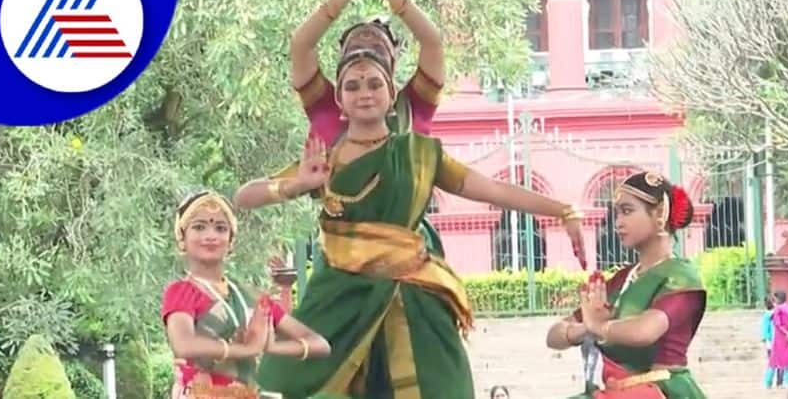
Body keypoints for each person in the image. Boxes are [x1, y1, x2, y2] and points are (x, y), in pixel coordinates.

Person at [234, 48, 586, 398]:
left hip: (414, 293)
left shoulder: (419, 155)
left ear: (391, 98)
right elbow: (243, 198)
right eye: (353, 86)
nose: (364, 93)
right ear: (339, 102)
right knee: (300, 382)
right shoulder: (325, 159)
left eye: (374, 84)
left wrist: (562, 210)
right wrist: (298, 185)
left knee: (437, 386)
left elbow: (491, 189)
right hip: (339, 298)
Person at [545, 171, 707, 398]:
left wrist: (598, 327)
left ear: (659, 214)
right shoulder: (623, 279)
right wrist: (585, 327)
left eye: (627, 211)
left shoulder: (681, 277)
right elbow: (553, 337)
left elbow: (644, 331)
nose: (618, 222)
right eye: (617, 213)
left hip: (659, 390)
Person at [161, 190, 331, 398]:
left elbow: (320, 344)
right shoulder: (182, 292)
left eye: (221, 228)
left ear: (230, 240)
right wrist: (246, 349)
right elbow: (184, 344)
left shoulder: (250, 297)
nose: (211, 236)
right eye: (199, 227)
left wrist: (272, 346)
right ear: (182, 238)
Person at [290, 0, 444, 146]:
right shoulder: (327, 109)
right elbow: (301, 45)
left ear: (391, 84)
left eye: (378, 49)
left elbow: (432, 43)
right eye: (355, 48)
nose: (365, 53)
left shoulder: (413, 109)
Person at [762, 294, 783, 388]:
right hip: (777, 343)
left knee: (773, 364)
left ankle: (769, 383)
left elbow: (764, 331)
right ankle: (778, 382)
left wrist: (765, 339)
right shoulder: (774, 315)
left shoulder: (767, 316)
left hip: (771, 344)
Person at [772, 290, 788, 387]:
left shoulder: (778, 309)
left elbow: (777, 324)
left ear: (777, 299)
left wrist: (786, 333)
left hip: (780, 337)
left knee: (780, 360)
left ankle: (781, 382)